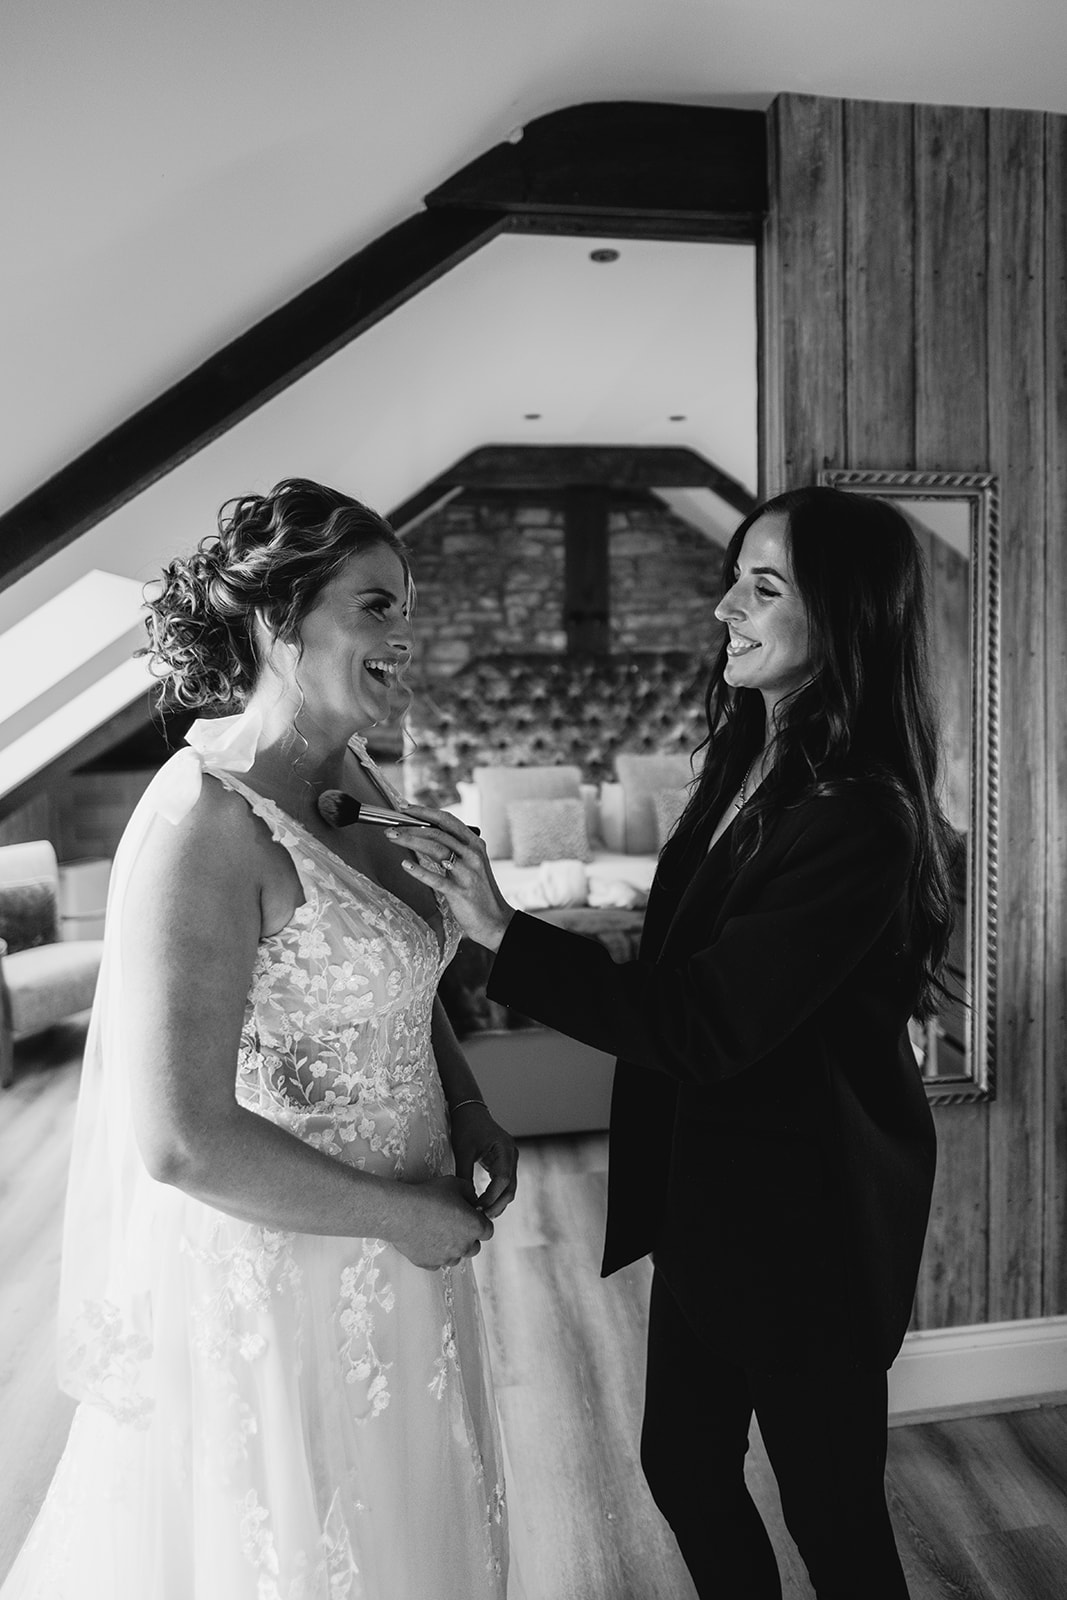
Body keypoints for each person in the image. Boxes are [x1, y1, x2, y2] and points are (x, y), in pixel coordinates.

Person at [387, 485, 952, 1600]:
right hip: (719, 1202)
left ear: (840, 615)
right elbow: (677, 980)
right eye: (731, 574)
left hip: (809, 1231)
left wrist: (504, 932)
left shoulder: (858, 815)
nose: (721, 606)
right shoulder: (748, 760)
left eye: (762, 585)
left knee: (832, 1517)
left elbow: (699, 1019)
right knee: (683, 1465)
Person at [0, 479, 521, 1600]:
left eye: (403, 606)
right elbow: (180, 1139)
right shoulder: (207, 822)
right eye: (376, 605)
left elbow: (390, 968)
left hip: (415, 1239)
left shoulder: (353, 775)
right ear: (280, 619)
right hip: (292, 1268)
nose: (404, 633)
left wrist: (468, 1103)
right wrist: (400, 1216)